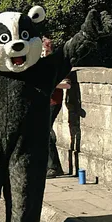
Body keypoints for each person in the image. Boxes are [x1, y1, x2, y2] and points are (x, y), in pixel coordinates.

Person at [43, 37, 71, 178]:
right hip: (41, 103)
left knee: (45, 132)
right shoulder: (38, 64)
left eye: (46, 50)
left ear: (50, 50)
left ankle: (54, 167)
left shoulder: (56, 64)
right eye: (41, 50)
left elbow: (67, 84)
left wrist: (50, 83)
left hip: (54, 102)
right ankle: (49, 165)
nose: (43, 53)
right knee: (44, 133)